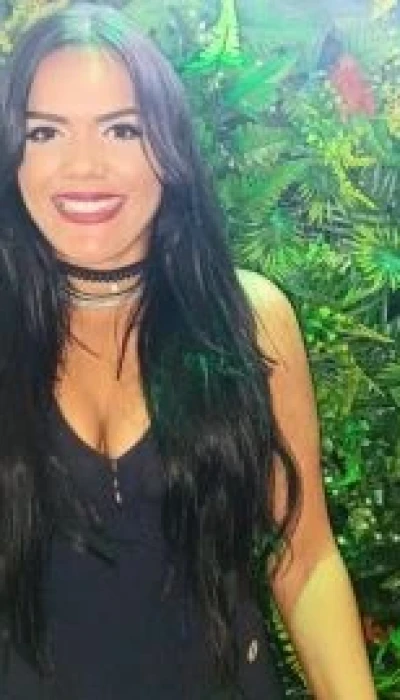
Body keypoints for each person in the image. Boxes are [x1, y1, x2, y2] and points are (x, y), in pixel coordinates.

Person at [0, 3, 377, 699]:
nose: (83, 165)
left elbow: (305, 557)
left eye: (121, 128)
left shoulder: (249, 319)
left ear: (169, 148)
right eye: (46, 131)